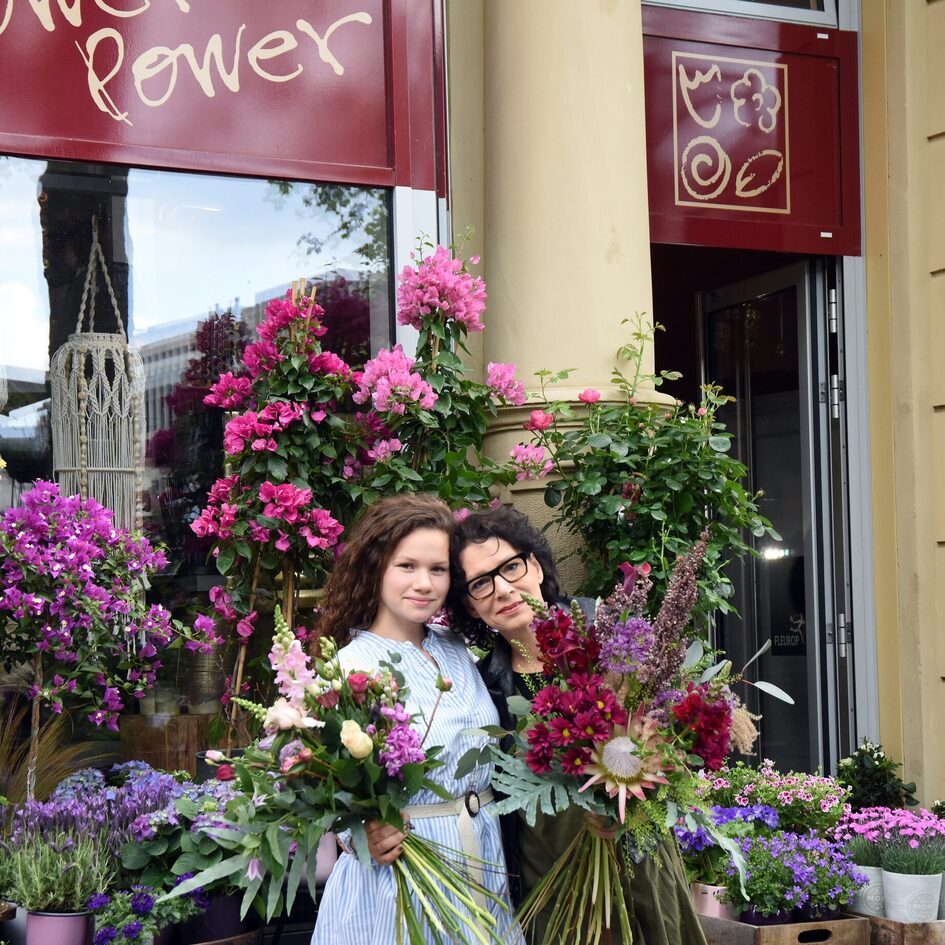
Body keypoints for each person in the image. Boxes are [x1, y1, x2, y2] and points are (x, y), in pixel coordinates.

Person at [447, 505, 709, 945]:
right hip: (549, 880)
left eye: (510, 566)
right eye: (480, 583)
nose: (502, 589)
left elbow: (669, 741)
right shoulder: (481, 689)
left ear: (535, 565)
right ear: (470, 605)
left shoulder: (608, 639)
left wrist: (630, 789)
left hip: (635, 865)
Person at [310, 494, 524, 945]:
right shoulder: (349, 668)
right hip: (400, 876)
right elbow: (326, 781)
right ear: (375, 568)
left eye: (438, 569)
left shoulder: (457, 648)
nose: (424, 583)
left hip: (482, 859)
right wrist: (360, 831)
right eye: (407, 566)